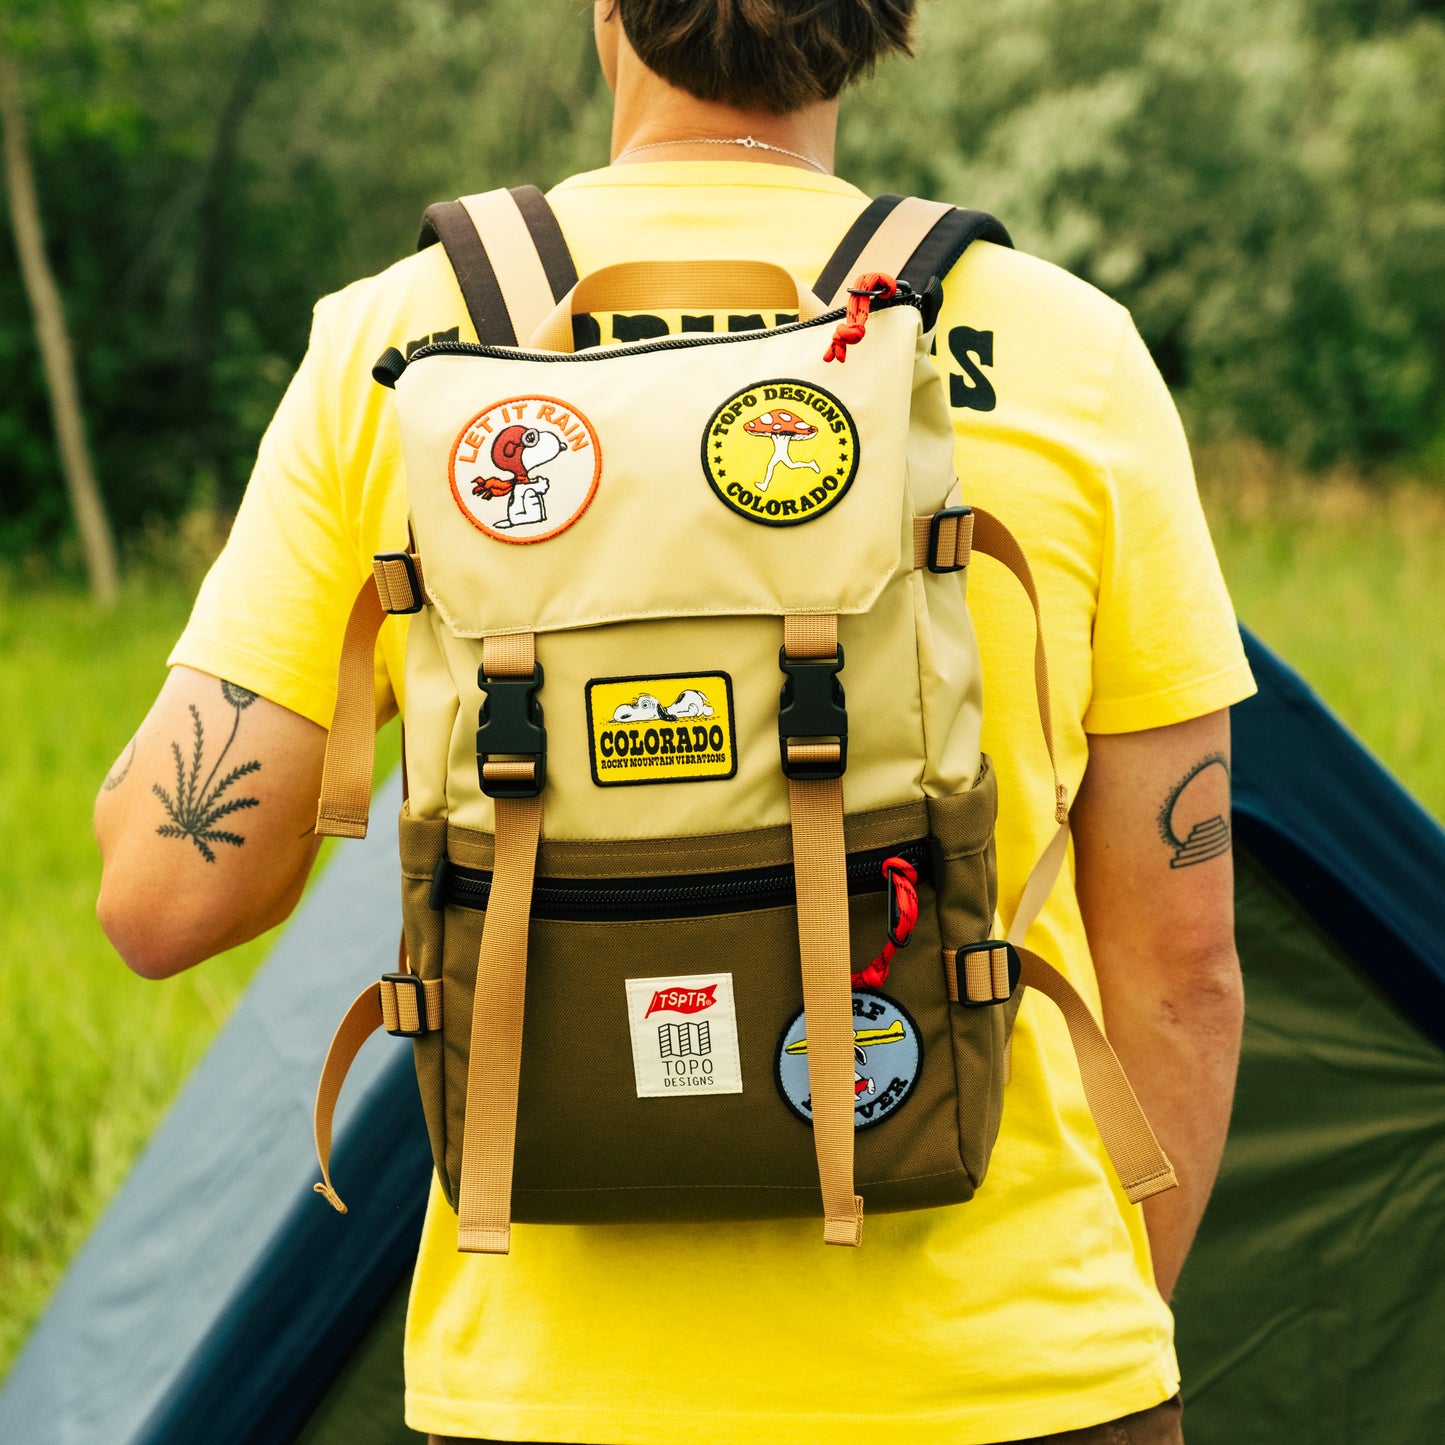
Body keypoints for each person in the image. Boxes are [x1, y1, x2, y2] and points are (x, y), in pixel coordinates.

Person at [94, 4, 1253, 1442]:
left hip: (555, 1400)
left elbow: (163, 897)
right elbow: (1184, 970)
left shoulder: (398, 344)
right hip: (1014, 1374)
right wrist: (1095, 1334)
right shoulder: (1070, 352)